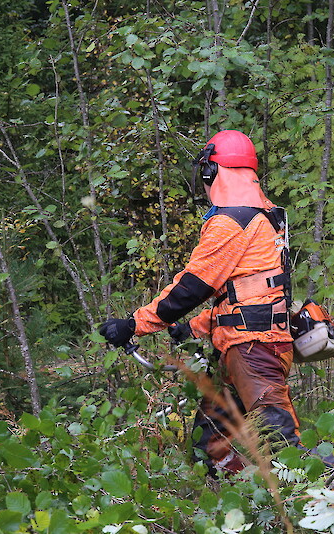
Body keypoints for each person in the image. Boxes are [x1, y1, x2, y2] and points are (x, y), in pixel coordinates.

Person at [99, 130, 298, 477]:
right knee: (209, 445)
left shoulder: (230, 223)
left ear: (211, 172)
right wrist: (192, 327)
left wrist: (133, 324)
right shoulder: (266, 216)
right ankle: (247, 507)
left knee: (289, 452)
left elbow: (190, 289)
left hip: (254, 352)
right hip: (245, 350)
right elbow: (249, 291)